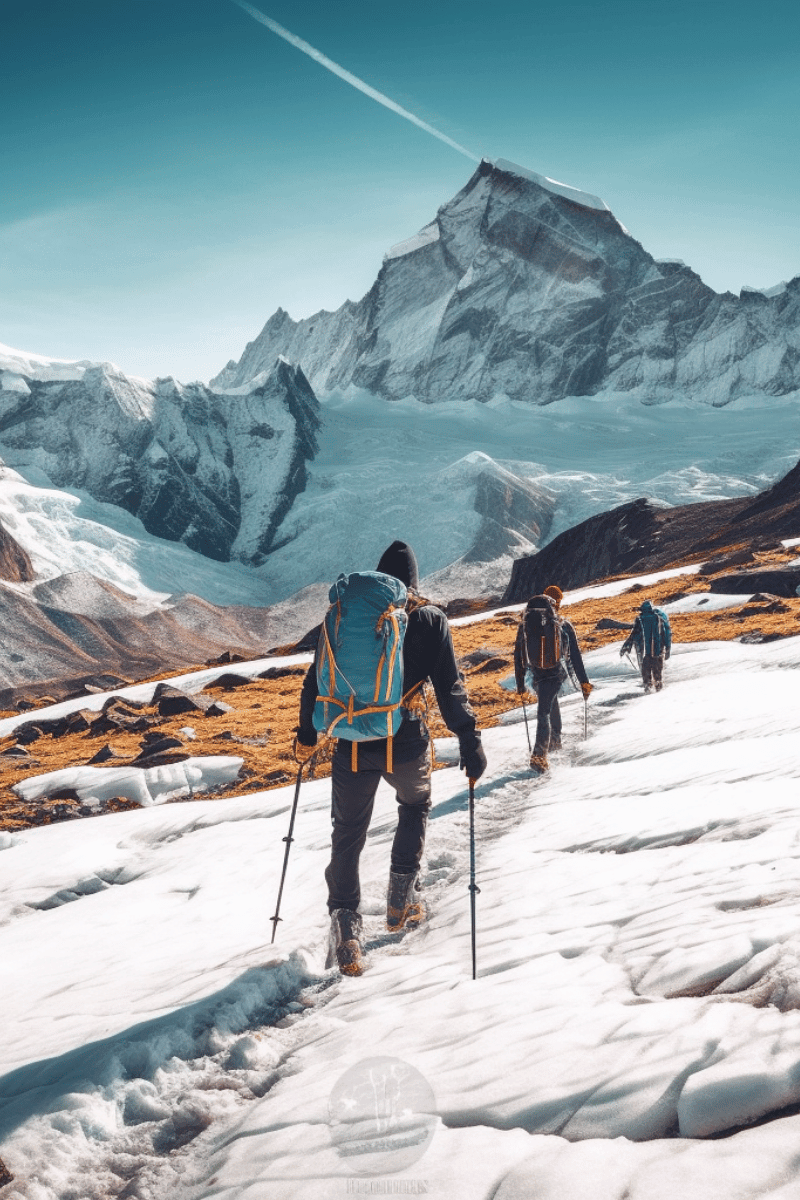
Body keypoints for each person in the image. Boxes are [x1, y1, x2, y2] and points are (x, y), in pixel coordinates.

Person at [294, 540, 487, 975]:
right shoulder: (430, 618)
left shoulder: (348, 618)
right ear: (414, 582)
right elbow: (449, 687)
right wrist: (469, 739)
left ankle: (346, 930)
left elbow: (317, 678)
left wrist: (306, 735)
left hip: (351, 744)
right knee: (414, 805)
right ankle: (402, 898)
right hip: (406, 740)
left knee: (347, 833)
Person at [513, 584, 592, 775]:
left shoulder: (526, 624)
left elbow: (518, 655)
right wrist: (584, 682)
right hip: (555, 674)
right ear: (556, 603)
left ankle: (549, 745)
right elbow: (575, 655)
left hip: (537, 674)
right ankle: (541, 755)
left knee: (545, 706)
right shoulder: (562, 624)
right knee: (545, 710)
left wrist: (520, 683)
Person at [620, 599, 671, 692]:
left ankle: (648, 692)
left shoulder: (640, 620)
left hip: (644, 654)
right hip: (658, 653)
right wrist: (668, 648)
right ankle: (659, 692)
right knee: (658, 676)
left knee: (646, 677)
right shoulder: (660, 618)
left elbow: (634, 634)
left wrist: (627, 646)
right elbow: (666, 635)